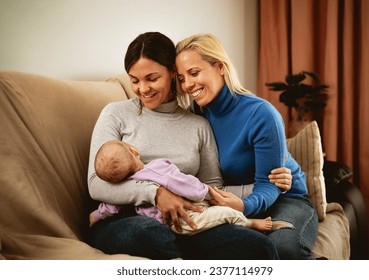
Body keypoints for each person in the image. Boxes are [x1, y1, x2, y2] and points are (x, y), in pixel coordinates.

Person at [87, 32, 291, 260]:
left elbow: (212, 186)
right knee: (151, 235)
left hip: (187, 220)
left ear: (173, 74)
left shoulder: (198, 124)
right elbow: (96, 183)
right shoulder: (115, 114)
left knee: (257, 247)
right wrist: (156, 194)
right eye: (134, 80)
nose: (143, 89)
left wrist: (267, 184)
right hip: (125, 218)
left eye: (152, 78)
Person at [175, 33, 319, 260]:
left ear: (219, 67)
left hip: (285, 199)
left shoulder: (261, 114)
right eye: (182, 78)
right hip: (232, 201)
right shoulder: (194, 116)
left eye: (194, 73)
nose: (188, 85)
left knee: (283, 248)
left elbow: (270, 184)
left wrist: (243, 206)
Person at [90, 140, 273, 234]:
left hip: (167, 221)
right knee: (221, 214)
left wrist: (96, 215)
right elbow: (184, 183)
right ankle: (248, 222)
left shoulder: (125, 187)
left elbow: (109, 207)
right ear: (134, 150)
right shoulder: (159, 167)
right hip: (183, 218)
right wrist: (206, 192)